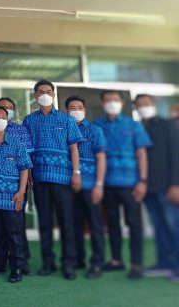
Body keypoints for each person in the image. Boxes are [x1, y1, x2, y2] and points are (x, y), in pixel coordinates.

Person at [22, 80, 83, 280]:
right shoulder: (29, 120)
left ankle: (68, 264)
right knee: (45, 223)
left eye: (48, 91)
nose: (45, 95)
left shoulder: (66, 119)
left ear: (54, 94)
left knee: (66, 222)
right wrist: (28, 173)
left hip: (63, 179)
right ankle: (48, 262)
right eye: (41, 92)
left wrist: (76, 172)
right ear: (35, 95)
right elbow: (25, 150)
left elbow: (74, 147)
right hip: (39, 179)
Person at [94, 90, 151, 279]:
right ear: (103, 103)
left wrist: (143, 181)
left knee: (134, 223)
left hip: (131, 183)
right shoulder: (97, 125)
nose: (112, 103)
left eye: (115, 100)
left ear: (122, 103)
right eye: (108, 100)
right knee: (112, 223)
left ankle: (136, 264)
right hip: (107, 183)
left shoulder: (133, 125)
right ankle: (116, 260)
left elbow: (142, 154)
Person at [0, 97, 33, 274]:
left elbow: (25, 168)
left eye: (3, 118)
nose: (0, 120)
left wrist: (21, 192)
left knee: (14, 234)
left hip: (12, 197)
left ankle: (17, 267)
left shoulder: (16, 142)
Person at [134, 94, 179, 282]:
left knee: (174, 226)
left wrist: (175, 184)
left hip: (167, 186)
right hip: (147, 187)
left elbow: (176, 154)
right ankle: (164, 262)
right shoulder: (137, 127)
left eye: (147, 103)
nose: (144, 107)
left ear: (153, 104)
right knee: (158, 226)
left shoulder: (168, 125)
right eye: (140, 104)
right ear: (136, 108)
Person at [65, 96, 107, 279]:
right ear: (67, 111)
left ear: (85, 110)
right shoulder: (65, 129)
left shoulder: (95, 130)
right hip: (71, 185)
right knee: (75, 223)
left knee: (95, 224)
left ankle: (97, 262)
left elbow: (101, 158)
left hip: (91, 185)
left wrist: (99, 184)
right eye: (72, 108)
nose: (76, 111)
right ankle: (78, 258)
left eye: (79, 107)